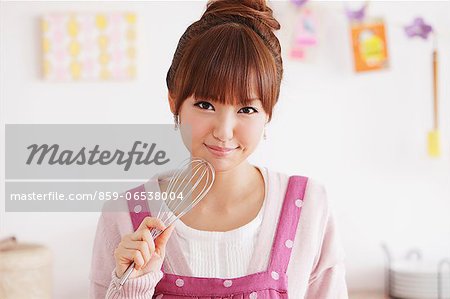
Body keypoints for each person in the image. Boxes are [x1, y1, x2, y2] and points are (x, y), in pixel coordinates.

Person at [89, 0, 348, 297]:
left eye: (247, 109)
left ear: (269, 111)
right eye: (205, 104)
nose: (224, 131)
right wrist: (133, 283)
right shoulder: (122, 215)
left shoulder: (309, 207)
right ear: (174, 100)